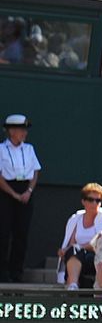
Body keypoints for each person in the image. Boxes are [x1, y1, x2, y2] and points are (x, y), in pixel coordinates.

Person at [1, 113, 41, 282]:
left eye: (25, 130)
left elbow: (35, 171)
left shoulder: (29, 149)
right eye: (21, 130)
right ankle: (3, 273)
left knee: (21, 234)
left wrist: (28, 191)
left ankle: (17, 272)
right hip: (6, 192)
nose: (24, 133)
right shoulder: (1, 149)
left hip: (25, 191)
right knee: (3, 233)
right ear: (11, 131)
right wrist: (14, 194)